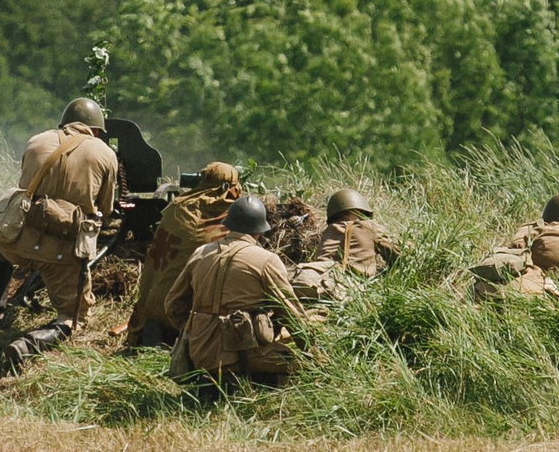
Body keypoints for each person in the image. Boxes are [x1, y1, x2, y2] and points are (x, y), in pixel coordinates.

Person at [0, 97, 121, 351]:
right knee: (74, 318)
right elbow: (104, 209)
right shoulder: (105, 153)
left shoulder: (37, 141)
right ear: (96, 130)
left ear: (64, 123)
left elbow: (25, 186)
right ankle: (26, 346)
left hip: (17, 242)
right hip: (61, 256)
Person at [165, 194, 304, 393]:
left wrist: (196, 330)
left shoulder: (200, 253)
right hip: (242, 357)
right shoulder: (266, 260)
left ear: (228, 224)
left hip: (201, 356)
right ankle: (254, 383)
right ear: (260, 231)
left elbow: (172, 305)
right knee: (298, 363)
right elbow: (292, 314)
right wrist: (314, 352)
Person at [123, 162, 241, 349]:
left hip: (153, 308)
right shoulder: (229, 217)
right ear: (226, 187)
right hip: (189, 317)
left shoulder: (177, 207)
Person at [316, 190, 398, 279]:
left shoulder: (327, 232)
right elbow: (401, 253)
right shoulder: (369, 226)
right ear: (361, 212)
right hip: (338, 280)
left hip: (313, 272)